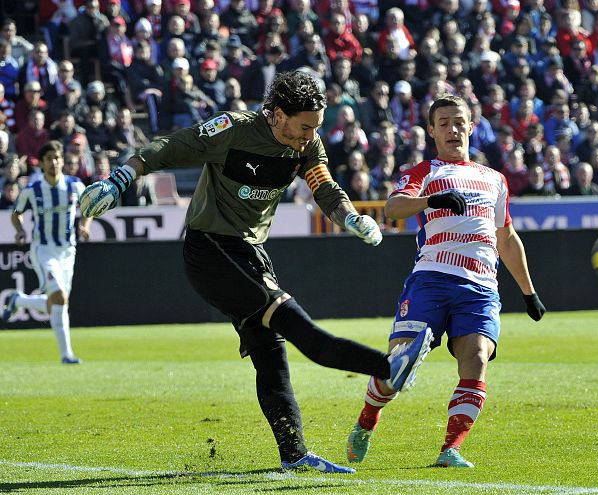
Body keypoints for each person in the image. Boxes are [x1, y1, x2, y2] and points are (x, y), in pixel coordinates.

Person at [77, 70, 433, 474]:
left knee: (271, 353)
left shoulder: (307, 144)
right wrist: (121, 178)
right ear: (277, 114)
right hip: (212, 249)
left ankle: (294, 455)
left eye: (315, 126)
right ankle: (390, 367)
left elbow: (323, 186)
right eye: (304, 126)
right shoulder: (233, 130)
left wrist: (350, 216)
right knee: (301, 330)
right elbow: (169, 148)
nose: (310, 135)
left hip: (250, 253)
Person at [345, 95, 546, 469]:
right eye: (444, 123)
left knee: (477, 359)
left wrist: (529, 292)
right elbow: (393, 207)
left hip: (482, 288)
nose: (452, 129)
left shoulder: (494, 179)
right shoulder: (425, 171)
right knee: (398, 365)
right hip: (433, 278)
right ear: (432, 131)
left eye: (459, 122)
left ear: (471, 127)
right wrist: (432, 200)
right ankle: (368, 417)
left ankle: (450, 448)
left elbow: (506, 237)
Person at [2, 141, 91, 364]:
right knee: (59, 297)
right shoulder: (33, 189)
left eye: (57, 158)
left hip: (68, 251)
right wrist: (20, 230)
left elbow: (88, 207)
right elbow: (16, 213)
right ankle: (67, 355)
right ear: (42, 163)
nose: (54, 162)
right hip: (43, 251)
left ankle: (18, 300)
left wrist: (85, 225)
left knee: (57, 303)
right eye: (49, 158)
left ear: (62, 160)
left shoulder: (75, 185)